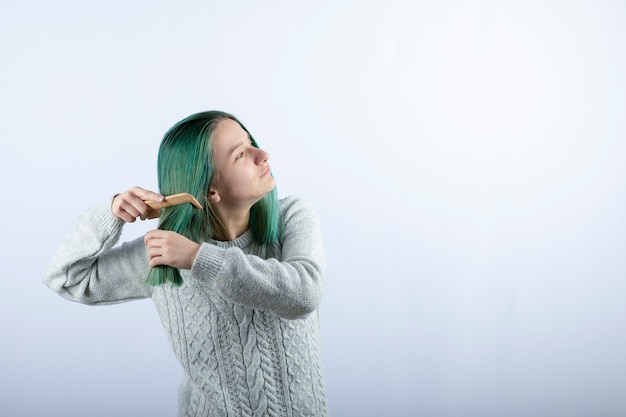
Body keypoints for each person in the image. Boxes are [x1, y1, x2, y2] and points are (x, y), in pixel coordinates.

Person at [43, 110, 328, 417]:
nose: (263, 155)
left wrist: (197, 258)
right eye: (241, 154)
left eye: (250, 142)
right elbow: (65, 277)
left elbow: (305, 293)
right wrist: (110, 214)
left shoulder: (291, 217)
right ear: (210, 190)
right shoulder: (162, 252)